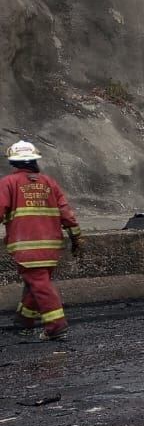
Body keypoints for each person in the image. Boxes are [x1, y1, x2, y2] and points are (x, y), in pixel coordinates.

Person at [0, 140, 82, 341]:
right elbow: (66, 214)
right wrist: (77, 237)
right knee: (36, 283)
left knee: (39, 284)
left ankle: (56, 326)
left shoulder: (8, 183)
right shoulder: (49, 183)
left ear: (13, 162)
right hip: (51, 246)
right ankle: (23, 322)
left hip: (26, 246)